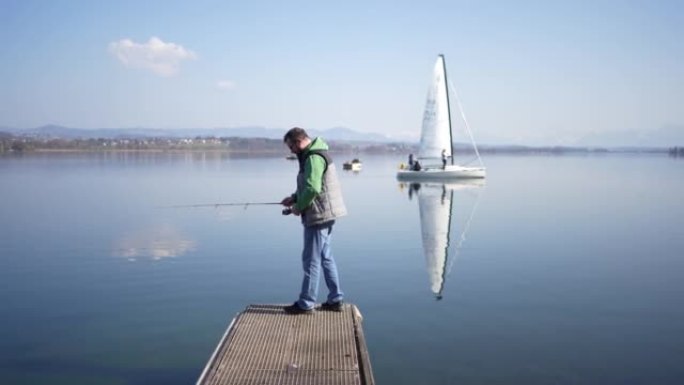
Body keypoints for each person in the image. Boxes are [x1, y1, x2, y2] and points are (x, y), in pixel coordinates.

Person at [280, 127, 347, 315]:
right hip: (325, 213)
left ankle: (306, 303)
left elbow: (312, 189)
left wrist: (298, 207)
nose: (291, 151)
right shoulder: (314, 154)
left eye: (291, 146)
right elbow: (309, 185)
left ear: (299, 141)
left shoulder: (313, 158)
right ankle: (336, 299)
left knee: (311, 260)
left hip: (319, 216)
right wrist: (294, 198)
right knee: (325, 258)